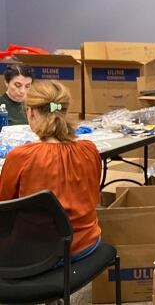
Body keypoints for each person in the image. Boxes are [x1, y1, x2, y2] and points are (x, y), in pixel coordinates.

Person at [0, 80, 102, 262]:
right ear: (65, 111)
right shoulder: (89, 150)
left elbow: (4, 208)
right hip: (87, 244)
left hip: (40, 253)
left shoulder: (21, 157)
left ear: (30, 113)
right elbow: (94, 195)